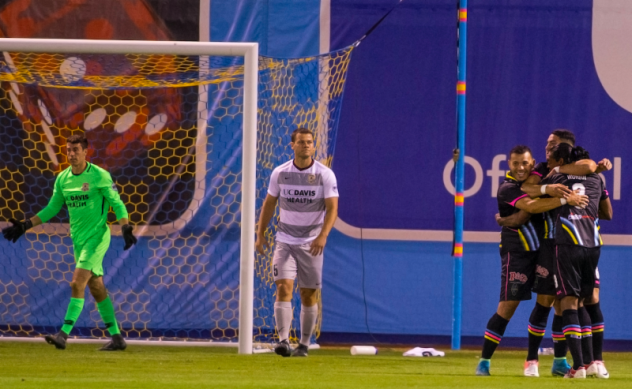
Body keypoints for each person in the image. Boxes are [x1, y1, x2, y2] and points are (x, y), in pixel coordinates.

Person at [2, 134, 137, 351]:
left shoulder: (99, 175)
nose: (71, 154)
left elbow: (117, 203)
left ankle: (63, 335)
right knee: (96, 286)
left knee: (77, 283)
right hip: (79, 240)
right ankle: (117, 339)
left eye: (76, 150)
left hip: (97, 237)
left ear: (86, 151)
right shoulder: (63, 179)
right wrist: (25, 225)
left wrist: (125, 226)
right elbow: (52, 208)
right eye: (68, 150)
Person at [497, 129, 611, 377]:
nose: (546, 149)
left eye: (552, 145)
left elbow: (589, 168)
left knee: (578, 300)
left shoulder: (567, 170)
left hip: (565, 243)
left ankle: (580, 362)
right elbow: (529, 192)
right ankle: (535, 361)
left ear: (564, 150)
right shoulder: (545, 169)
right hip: (565, 244)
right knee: (549, 301)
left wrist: (557, 181)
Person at [475, 145, 588, 376]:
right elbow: (531, 206)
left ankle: (555, 362)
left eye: (525, 163)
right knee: (507, 308)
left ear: (532, 163)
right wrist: (566, 199)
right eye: (516, 163)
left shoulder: (539, 180)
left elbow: (531, 206)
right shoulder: (507, 188)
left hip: (544, 251)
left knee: (552, 304)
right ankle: (484, 362)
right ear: (508, 164)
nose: (520, 168)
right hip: (517, 253)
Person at [255, 128, 338, 357]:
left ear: (314, 145)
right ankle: (283, 341)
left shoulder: (325, 174)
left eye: (309, 142)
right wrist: (260, 233)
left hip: (312, 243)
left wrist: (323, 235)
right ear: (292, 145)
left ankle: (303, 344)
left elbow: (332, 208)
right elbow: (269, 203)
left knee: (308, 295)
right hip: (285, 241)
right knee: (283, 287)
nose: (306, 146)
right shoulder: (280, 173)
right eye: (301, 142)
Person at [544, 143, 605, 379]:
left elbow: (534, 194)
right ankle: (590, 363)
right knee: (583, 303)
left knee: (568, 303)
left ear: (561, 160)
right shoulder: (597, 179)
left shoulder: (557, 177)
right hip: (593, 245)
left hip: (569, 244)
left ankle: (578, 366)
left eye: (551, 157)